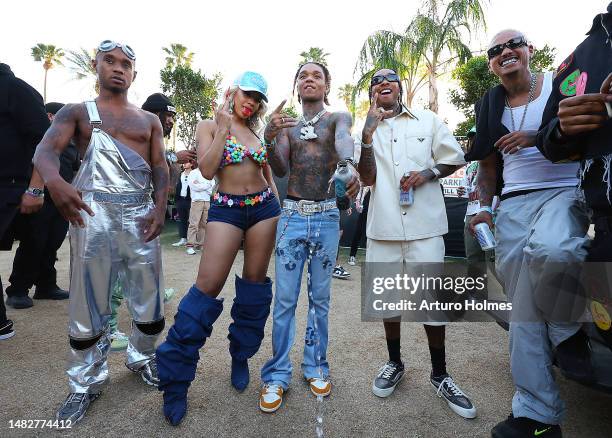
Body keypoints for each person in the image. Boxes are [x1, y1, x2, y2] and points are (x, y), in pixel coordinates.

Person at [33, 40, 169, 423]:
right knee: (87, 301)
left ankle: (142, 357)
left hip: (142, 212)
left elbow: (160, 167)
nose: (118, 68)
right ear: (96, 66)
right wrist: (55, 182)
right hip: (93, 213)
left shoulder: (149, 120)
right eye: (110, 61)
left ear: (134, 74)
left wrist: (160, 207)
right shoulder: (78, 112)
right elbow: (44, 151)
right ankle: (84, 382)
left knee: (149, 297)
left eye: (126, 63)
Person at [466, 30, 592, 438]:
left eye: (513, 44)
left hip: (562, 190)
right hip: (514, 203)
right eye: (496, 50)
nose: (505, 52)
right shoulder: (489, 103)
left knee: (553, 249)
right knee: (523, 313)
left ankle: (566, 332)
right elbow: (487, 167)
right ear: (491, 63)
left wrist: (536, 137)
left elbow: (586, 130)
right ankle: (537, 416)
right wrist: (485, 208)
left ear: (529, 50)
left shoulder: (559, 84)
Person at [156, 71, 280, 426]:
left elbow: (266, 171)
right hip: (226, 207)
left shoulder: (258, 132)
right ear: (233, 91)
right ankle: (176, 383)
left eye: (258, 98)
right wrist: (223, 128)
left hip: (263, 209)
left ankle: (240, 355)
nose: (252, 101)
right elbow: (207, 171)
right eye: (248, 93)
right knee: (205, 290)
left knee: (254, 291)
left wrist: (277, 202)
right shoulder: (208, 124)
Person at [357, 68, 477, 419]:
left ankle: (440, 374)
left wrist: (426, 173)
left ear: (401, 88)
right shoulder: (367, 130)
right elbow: (366, 177)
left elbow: (454, 156)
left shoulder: (428, 119)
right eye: (376, 82)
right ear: (371, 95)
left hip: (426, 226)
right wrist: (366, 136)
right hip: (384, 228)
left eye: (390, 79)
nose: (383, 83)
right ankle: (395, 363)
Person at [258, 62, 359, 413]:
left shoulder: (337, 119)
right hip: (292, 217)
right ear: (296, 85)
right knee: (284, 301)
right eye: (303, 75)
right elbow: (281, 168)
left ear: (327, 83)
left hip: (328, 216)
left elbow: (345, 141)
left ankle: (315, 366)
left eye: (317, 75)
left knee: (320, 299)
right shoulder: (287, 126)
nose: (310, 79)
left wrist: (347, 165)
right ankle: (277, 374)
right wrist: (270, 138)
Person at [5, 102, 78, 309]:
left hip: (61, 202)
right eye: (62, 117)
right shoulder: (37, 138)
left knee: (52, 243)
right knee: (33, 242)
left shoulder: (70, 143)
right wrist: (32, 191)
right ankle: (17, 289)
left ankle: (46, 285)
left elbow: (75, 169)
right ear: (49, 116)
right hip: (38, 197)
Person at [0, 62, 50, 339]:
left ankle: (23, 288)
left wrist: (35, 188)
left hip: (14, 186)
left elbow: (46, 142)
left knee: (41, 239)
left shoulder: (16, 89)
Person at [185, 165, 215, 255]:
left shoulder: (209, 173)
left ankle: (200, 244)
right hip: (196, 201)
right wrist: (207, 185)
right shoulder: (193, 173)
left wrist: (201, 185)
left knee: (204, 224)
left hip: (207, 201)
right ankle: (190, 245)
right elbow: (194, 187)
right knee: (194, 224)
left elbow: (212, 188)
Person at [171, 162, 192, 247]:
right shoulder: (181, 174)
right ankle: (183, 239)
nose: (184, 164)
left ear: (191, 164)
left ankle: (192, 240)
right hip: (180, 199)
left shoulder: (195, 173)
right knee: (183, 219)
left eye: (187, 162)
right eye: (184, 162)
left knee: (192, 220)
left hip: (190, 199)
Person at [348, 186, 370, 265]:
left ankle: (370, 258)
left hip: (376, 210)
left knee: (371, 235)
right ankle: (352, 256)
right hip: (364, 209)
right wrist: (358, 201)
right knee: (359, 231)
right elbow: (361, 190)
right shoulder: (365, 185)